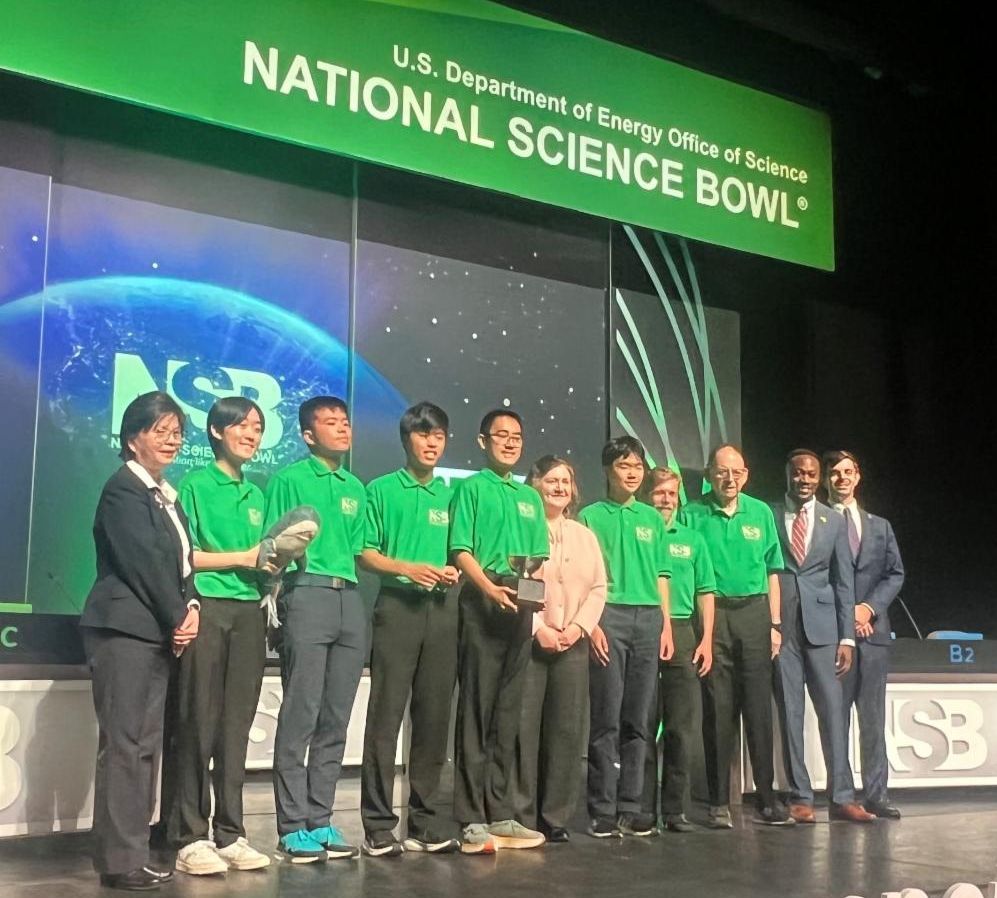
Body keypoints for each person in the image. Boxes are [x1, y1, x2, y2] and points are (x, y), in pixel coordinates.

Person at [80, 391, 200, 891]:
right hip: (125, 630)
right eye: (160, 430)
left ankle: (133, 851)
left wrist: (192, 605)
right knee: (126, 746)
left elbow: (181, 562)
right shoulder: (123, 490)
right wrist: (178, 614)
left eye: (176, 430)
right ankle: (118, 861)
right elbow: (143, 563)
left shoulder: (162, 493)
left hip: (155, 631)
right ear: (133, 439)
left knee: (145, 745)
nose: (172, 438)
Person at [165, 398, 272, 875]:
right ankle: (190, 835)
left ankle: (231, 832)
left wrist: (273, 562)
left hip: (249, 612)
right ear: (215, 431)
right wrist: (243, 558)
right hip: (207, 606)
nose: (251, 434)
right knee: (198, 722)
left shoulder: (258, 492)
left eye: (258, 427)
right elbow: (185, 556)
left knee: (235, 727)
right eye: (242, 426)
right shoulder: (194, 485)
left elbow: (260, 557)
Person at [264, 396, 367, 863]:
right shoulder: (290, 478)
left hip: (350, 597)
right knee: (301, 711)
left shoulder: (355, 486)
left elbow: (362, 547)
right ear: (308, 434)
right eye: (331, 423)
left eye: (345, 421)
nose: (342, 429)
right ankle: (290, 825)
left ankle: (321, 818)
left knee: (336, 716)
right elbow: (273, 544)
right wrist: (276, 594)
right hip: (306, 592)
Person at [358, 402, 461, 857]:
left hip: (441, 613)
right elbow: (365, 553)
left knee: (434, 720)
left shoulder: (450, 495)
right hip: (397, 609)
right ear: (407, 440)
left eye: (438, 435)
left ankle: (423, 823)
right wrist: (406, 569)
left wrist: (454, 570)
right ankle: (379, 825)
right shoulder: (380, 490)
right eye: (423, 435)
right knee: (385, 718)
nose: (432, 442)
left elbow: (462, 551)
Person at [449, 409, 548, 854]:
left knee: (508, 711)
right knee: (476, 710)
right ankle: (471, 819)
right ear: (483, 440)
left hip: (520, 600)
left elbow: (537, 554)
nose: (510, 442)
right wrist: (490, 587)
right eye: (501, 435)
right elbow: (460, 549)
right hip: (482, 597)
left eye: (517, 436)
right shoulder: (471, 488)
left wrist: (524, 585)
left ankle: (501, 813)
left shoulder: (529, 497)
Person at [679, 444, 791, 827]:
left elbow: (773, 571)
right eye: (722, 472)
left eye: (737, 472)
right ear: (709, 474)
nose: (730, 479)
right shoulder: (692, 513)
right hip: (714, 617)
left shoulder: (760, 512)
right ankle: (717, 800)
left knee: (759, 708)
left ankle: (767, 795)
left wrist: (775, 624)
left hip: (755, 613)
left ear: (747, 474)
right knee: (717, 710)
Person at [771, 450, 873, 823]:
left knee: (834, 714)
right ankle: (800, 796)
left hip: (825, 630)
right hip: (782, 630)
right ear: (788, 474)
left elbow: (844, 583)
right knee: (791, 715)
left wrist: (847, 638)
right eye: (798, 473)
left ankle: (843, 796)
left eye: (811, 474)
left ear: (820, 479)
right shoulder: (768, 514)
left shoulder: (833, 520)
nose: (805, 479)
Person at [580, 436, 672, 839]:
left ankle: (632, 805)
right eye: (624, 465)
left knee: (640, 718)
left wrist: (666, 624)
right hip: (609, 617)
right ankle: (601, 807)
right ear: (607, 470)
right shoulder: (589, 517)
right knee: (607, 717)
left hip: (649, 618)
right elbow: (583, 578)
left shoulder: (653, 519)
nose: (632, 473)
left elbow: (662, 576)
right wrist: (594, 624)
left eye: (637, 466)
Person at [514, 455, 607, 842]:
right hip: (532, 640)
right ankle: (521, 814)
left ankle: (555, 818)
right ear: (534, 483)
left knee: (565, 732)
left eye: (565, 481)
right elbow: (521, 583)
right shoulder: (524, 528)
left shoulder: (584, 535)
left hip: (572, 642)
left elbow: (599, 587)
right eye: (551, 479)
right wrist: (539, 628)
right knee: (525, 728)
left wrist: (578, 628)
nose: (558, 487)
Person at [824, 449, 905, 819]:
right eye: (834, 473)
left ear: (857, 477)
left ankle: (877, 794)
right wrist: (846, 616)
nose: (841, 478)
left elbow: (895, 573)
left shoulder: (880, 526)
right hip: (834, 636)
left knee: (873, 720)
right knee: (836, 720)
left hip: (872, 636)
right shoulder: (819, 522)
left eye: (847, 472)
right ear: (827, 479)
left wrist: (867, 608)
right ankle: (841, 796)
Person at [640, 467, 715, 833]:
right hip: (641, 626)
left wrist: (707, 639)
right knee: (641, 724)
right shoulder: (637, 532)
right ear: (646, 495)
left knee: (681, 728)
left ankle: (673, 810)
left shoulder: (693, 539)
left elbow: (706, 591)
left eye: (672, 494)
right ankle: (639, 809)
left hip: (684, 631)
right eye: (659, 493)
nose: (666, 500)